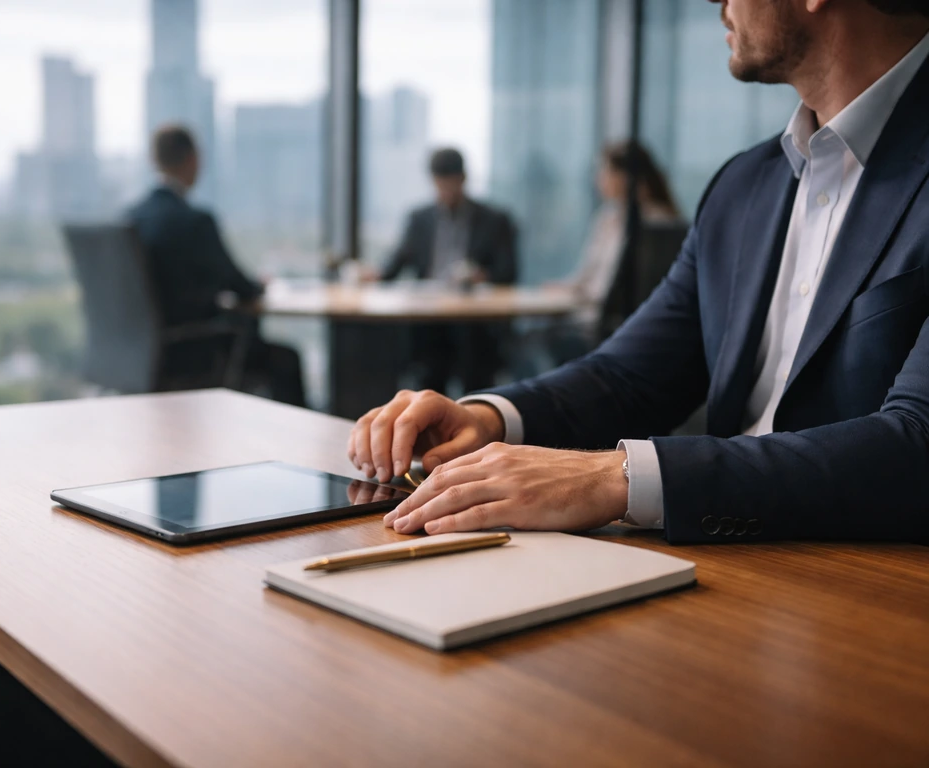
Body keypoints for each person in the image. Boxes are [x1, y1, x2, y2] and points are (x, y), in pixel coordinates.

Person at [348, 0, 929, 544]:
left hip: (861, 584)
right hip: (719, 555)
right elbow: (633, 374)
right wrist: (488, 418)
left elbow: (917, 442)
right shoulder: (742, 188)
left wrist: (616, 478)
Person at [128, 125, 306, 407]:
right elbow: (240, 286)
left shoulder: (131, 219)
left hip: (136, 353)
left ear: (155, 160)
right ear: (193, 159)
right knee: (286, 359)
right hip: (193, 350)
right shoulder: (194, 222)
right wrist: (260, 285)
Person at [381, 148, 519, 394]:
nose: (445, 192)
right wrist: (373, 274)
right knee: (427, 367)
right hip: (429, 318)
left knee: (474, 362)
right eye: (439, 184)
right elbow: (395, 265)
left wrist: (480, 276)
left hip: (475, 318)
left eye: (450, 184)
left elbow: (508, 272)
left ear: (463, 179)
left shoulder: (495, 220)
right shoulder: (419, 218)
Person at [543, 141, 682, 365]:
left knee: (548, 338)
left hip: (615, 326)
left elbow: (614, 291)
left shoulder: (655, 224)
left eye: (605, 170)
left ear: (626, 177)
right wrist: (564, 287)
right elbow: (587, 276)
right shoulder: (608, 217)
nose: (599, 178)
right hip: (595, 317)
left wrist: (579, 296)